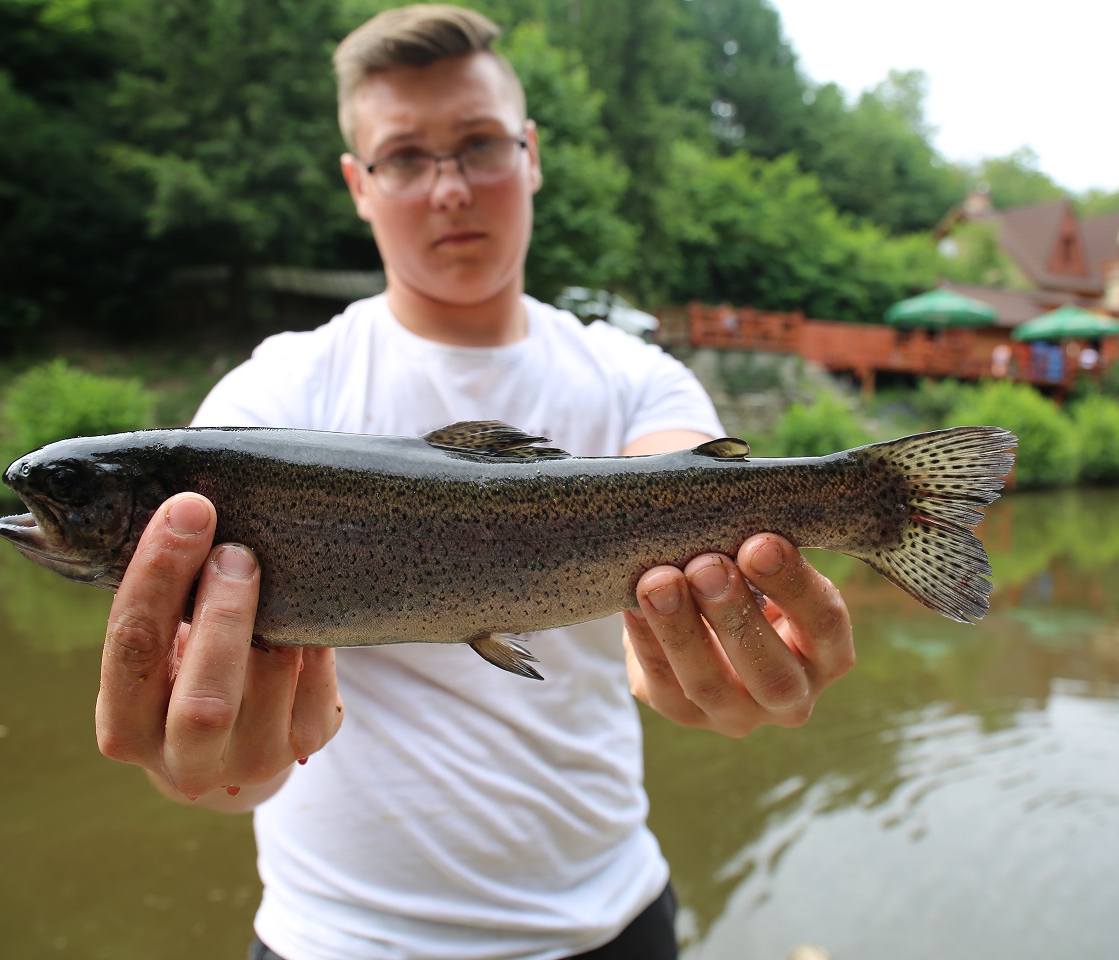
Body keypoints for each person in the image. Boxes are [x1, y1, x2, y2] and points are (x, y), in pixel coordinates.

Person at [93, 7, 855, 959]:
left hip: (612, 921)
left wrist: (737, 655)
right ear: (358, 186)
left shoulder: (637, 378)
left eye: (480, 145)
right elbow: (212, 741)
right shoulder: (269, 397)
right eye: (406, 157)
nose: (449, 188)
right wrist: (196, 755)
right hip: (335, 939)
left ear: (531, 154)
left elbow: (683, 491)